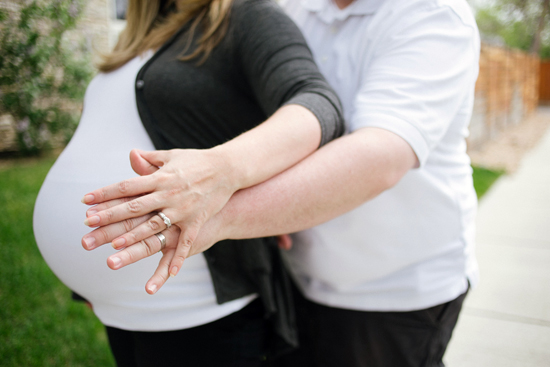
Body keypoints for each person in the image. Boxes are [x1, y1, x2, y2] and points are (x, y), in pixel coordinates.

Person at [83, 0, 480, 365]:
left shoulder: (433, 15)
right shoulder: (294, 6)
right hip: (296, 279)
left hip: (389, 292)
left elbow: (380, 157)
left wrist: (218, 215)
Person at [33, 0, 345, 365]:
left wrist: (226, 169)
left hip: (197, 308)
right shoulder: (141, 37)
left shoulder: (246, 15)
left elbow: (318, 103)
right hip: (120, 309)